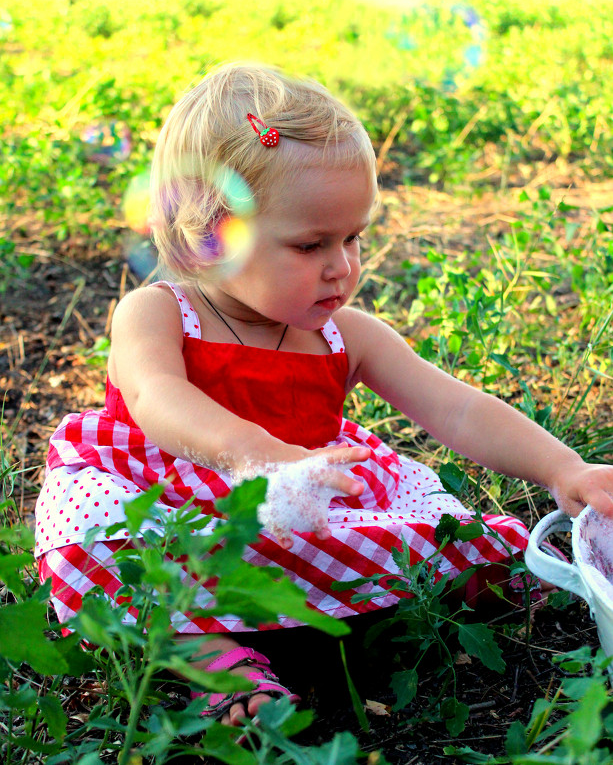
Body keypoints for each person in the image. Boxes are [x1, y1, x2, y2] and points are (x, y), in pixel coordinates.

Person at [35, 62, 613, 729]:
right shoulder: (158, 313)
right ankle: (209, 659)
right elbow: (155, 395)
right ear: (209, 236)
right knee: (109, 547)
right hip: (177, 511)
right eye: (310, 244)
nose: (341, 266)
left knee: (428, 531)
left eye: (352, 238)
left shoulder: (348, 336)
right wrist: (255, 452)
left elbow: (455, 407)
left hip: (306, 507)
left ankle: (458, 581)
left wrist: (561, 467)